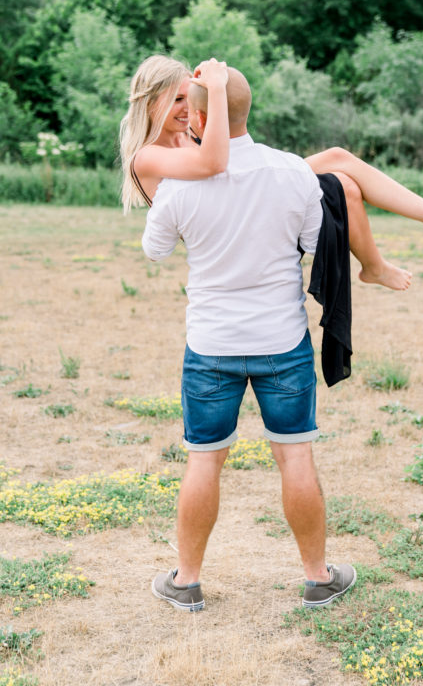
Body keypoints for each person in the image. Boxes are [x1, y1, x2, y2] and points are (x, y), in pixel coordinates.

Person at [142, 68, 357, 611]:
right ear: (246, 109)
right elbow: (316, 243)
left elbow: (156, 251)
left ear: (198, 116)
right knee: (295, 457)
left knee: (204, 460)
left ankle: (186, 584)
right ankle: (317, 578)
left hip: (211, 346)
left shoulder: (180, 183)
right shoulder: (292, 172)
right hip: (282, 342)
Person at [119, 55, 423, 292]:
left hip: (245, 202)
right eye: (177, 100)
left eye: (190, 97)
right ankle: (381, 261)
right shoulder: (147, 158)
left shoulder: (190, 138)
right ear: (150, 104)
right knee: (337, 162)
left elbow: (235, 159)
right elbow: (216, 165)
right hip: (233, 228)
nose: (187, 109)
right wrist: (215, 90)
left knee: (342, 174)